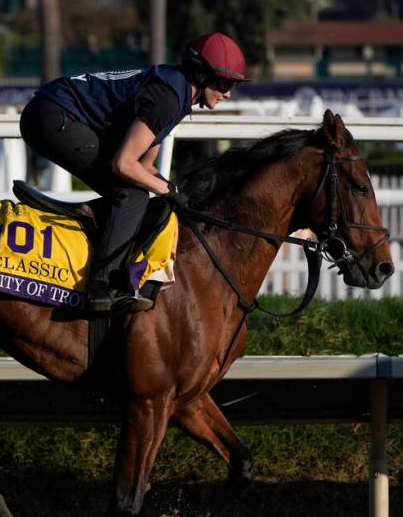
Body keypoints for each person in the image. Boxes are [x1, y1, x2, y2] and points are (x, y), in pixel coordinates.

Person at [19, 31, 250, 313]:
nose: (228, 92)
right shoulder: (168, 98)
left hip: (53, 110)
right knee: (131, 194)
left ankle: (95, 226)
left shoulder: (176, 93)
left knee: (137, 192)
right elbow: (124, 164)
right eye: (225, 82)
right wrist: (167, 191)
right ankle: (103, 287)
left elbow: (144, 165)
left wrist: (176, 190)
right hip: (51, 114)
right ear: (201, 74)